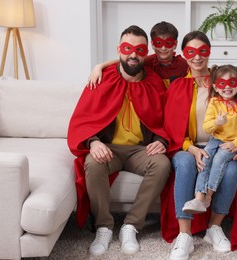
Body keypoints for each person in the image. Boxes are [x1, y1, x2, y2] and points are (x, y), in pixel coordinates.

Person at [162, 31, 237, 259]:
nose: (197, 58)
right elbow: (171, 128)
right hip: (188, 147)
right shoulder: (177, 86)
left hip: (224, 145)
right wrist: (192, 149)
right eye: (191, 52)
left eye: (202, 51)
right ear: (183, 55)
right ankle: (184, 235)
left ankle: (214, 227)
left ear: (209, 52)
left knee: (232, 170)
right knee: (186, 165)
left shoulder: (222, 83)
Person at [67, 25, 171, 257]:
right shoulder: (102, 78)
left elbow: (167, 118)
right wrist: (93, 142)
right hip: (109, 148)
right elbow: (82, 118)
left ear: (146, 53)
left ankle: (131, 225)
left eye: (139, 49)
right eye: (127, 48)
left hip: (140, 150)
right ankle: (103, 227)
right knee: (93, 164)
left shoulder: (154, 82)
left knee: (162, 163)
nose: (133, 54)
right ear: (119, 50)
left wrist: (163, 140)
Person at [182, 64, 237, 215]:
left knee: (219, 159)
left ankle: (208, 196)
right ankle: (199, 197)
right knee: (205, 159)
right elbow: (207, 127)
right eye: (222, 83)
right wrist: (217, 122)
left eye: (232, 83)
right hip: (214, 140)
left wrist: (236, 143)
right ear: (215, 86)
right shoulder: (214, 103)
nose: (227, 87)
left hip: (231, 143)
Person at [88, 21, 188, 89]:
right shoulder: (147, 61)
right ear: (152, 44)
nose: (163, 48)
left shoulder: (183, 64)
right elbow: (126, 60)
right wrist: (99, 66)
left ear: (175, 44)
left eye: (168, 43)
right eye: (158, 43)